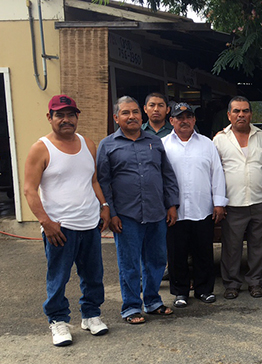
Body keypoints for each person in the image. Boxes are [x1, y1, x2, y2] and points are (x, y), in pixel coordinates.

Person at [24, 95, 110, 346]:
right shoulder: (41, 148)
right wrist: (46, 222)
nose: (66, 120)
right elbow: (30, 189)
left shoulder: (88, 144)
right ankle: (58, 321)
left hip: (89, 223)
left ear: (77, 118)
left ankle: (91, 315)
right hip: (60, 228)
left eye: (70, 114)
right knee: (58, 277)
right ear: (49, 117)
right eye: (60, 115)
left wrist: (104, 206)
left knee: (93, 274)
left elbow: (92, 180)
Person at [97, 96, 179, 324]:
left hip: (156, 213)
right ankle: (131, 307)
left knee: (156, 261)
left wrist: (171, 205)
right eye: (125, 113)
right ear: (116, 118)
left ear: (140, 115)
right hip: (126, 216)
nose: (131, 116)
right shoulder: (108, 145)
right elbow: (103, 182)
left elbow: (167, 175)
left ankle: (153, 302)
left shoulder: (154, 142)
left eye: (134, 112)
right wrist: (110, 213)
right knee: (129, 264)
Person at [162, 102, 227, 307]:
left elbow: (217, 174)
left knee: (204, 252)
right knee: (176, 253)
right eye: (179, 118)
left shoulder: (207, 143)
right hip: (176, 211)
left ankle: (204, 289)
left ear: (194, 120)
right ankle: (180, 291)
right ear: (171, 120)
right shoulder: (163, 144)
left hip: (202, 208)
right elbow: (161, 178)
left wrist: (219, 203)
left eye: (188, 117)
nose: (184, 121)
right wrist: (167, 205)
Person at [214, 96, 262, 299]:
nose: (241, 115)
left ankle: (256, 282)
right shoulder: (220, 139)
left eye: (245, 111)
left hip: (260, 200)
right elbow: (215, 172)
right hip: (233, 202)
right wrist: (218, 201)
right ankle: (231, 283)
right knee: (232, 246)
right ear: (229, 115)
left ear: (251, 114)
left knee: (259, 246)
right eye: (236, 111)